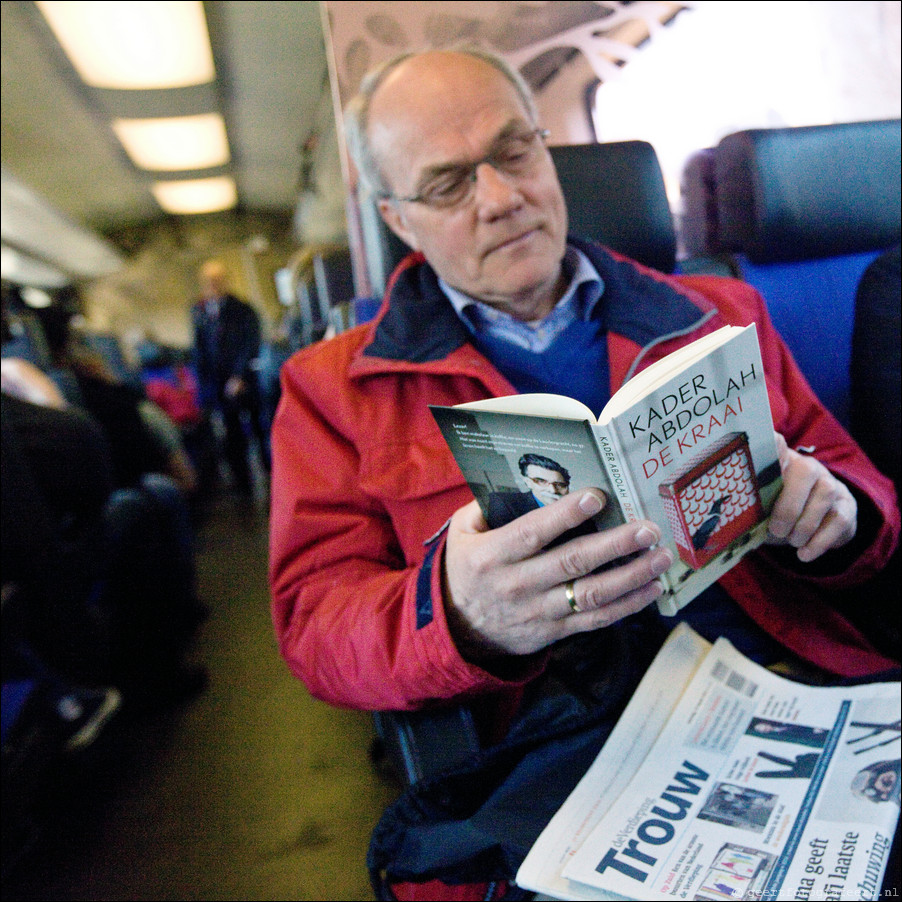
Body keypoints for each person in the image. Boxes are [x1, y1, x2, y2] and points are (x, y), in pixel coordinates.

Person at [268, 48, 900, 899]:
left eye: (516, 152)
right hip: (555, 737)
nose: (501, 199)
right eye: (449, 185)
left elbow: (862, 491)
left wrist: (836, 511)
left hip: (781, 671)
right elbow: (316, 626)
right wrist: (453, 610)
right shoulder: (331, 391)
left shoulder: (718, 312)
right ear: (400, 220)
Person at [191, 259, 270, 500]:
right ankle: (243, 487)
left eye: (216, 280)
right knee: (231, 436)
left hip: (244, 381)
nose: (212, 285)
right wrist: (204, 386)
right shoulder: (199, 312)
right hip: (218, 385)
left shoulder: (243, 309)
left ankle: (271, 476)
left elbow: (251, 343)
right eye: (208, 281)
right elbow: (199, 349)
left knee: (259, 429)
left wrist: (240, 375)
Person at [487, 453, 573, 527]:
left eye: (560, 485)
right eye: (541, 481)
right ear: (528, 482)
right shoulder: (503, 504)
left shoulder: (578, 509)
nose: (553, 490)